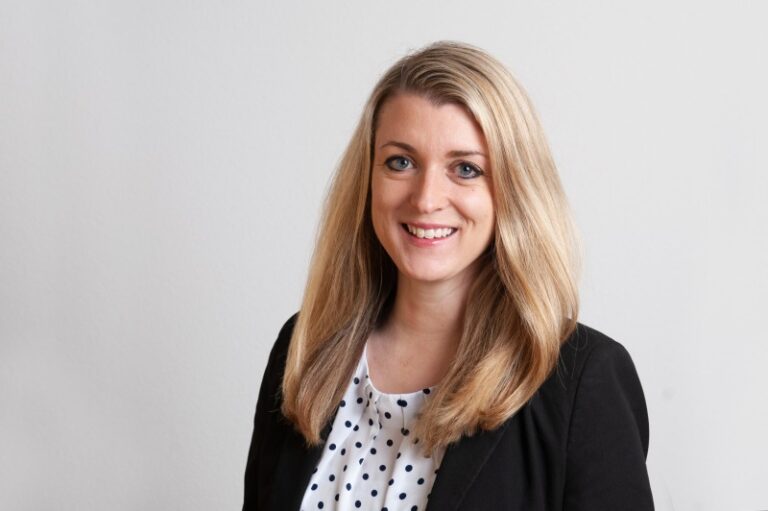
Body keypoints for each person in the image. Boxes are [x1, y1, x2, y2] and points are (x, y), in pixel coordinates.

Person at [243, 41, 654, 510]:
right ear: (368, 178)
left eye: (465, 169)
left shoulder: (581, 381)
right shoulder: (305, 349)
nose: (426, 199)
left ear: (514, 189)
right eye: (401, 162)